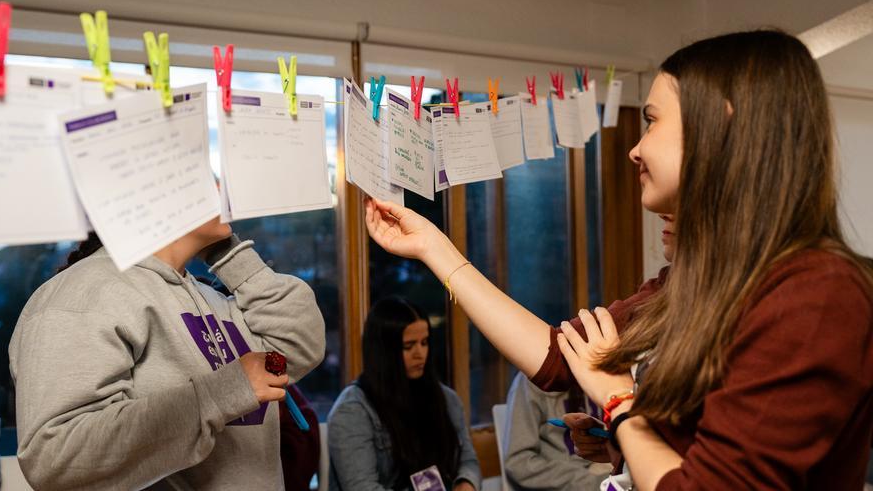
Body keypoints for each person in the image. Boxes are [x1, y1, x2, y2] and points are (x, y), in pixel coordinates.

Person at [364, 29, 873, 490]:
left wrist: (622, 408)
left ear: (722, 126)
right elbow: (560, 359)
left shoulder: (817, 293)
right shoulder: (694, 283)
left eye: (651, 121)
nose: (634, 148)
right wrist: (433, 247)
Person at [9, 215, 326, 490]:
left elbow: (297, 346)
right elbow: (55, 459)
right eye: (202, 177)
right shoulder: (81, 294)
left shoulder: (209, 296)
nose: (223, 189)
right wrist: (222, 393)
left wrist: (227, 254)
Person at [327, 296, 480, 491]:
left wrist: (465, 484)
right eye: (408, 346)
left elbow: (468, 461)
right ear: (384, 352)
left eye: (424, 343)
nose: (420, 353)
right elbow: (363, 487)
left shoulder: (446, 398)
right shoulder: (352, 411)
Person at [502, 373, 610, 490]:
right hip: (569, 481)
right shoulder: (529, 382)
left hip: (603, 471)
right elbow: (519, 462)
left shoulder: (596, 373)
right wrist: (588, 482)